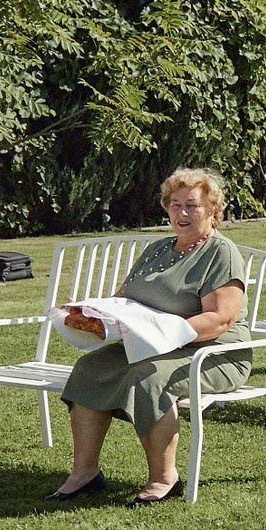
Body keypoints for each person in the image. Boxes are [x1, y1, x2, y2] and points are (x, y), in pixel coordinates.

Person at [51, 169, 252, 506]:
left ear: (213, 211)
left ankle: (164, 478)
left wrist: (164, 334)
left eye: (193, 205)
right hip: (150, 343)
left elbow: (221, 319)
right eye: (175, 205)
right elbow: (124, 299)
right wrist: (96, 316)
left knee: (149, 378)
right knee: (89, 367)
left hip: (214, 353)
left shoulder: (221, 252)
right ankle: (84, 474)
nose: (182, 213)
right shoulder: (158, 249)